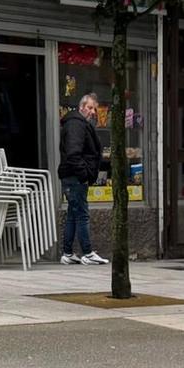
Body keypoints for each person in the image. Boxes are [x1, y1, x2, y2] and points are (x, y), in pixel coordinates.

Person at [57, 94, 108, 267]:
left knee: (73, 214)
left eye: (95, 109)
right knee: (82, 215)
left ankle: (68, 253)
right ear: (81, 107)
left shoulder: (77, 123)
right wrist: (84, 173)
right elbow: (73, 153)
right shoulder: (76, 124)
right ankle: (87, 253)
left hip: (72, 175)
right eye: (91, 108)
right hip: (75, 177)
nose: (93, 112)